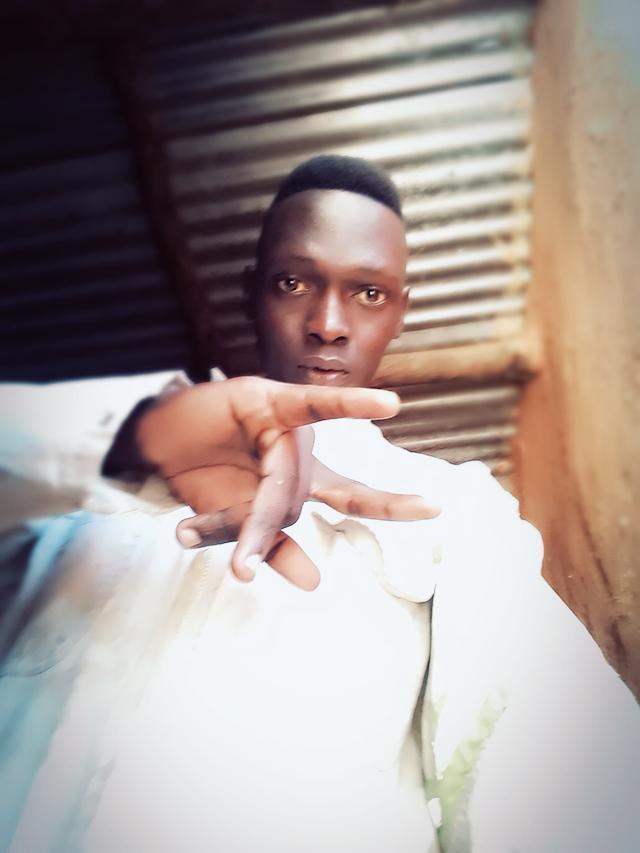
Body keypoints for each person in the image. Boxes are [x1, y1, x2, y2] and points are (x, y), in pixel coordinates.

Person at [0, 156, 638, 853]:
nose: (328, 324)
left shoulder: (450, 510)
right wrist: (137, 434)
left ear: (399, 312)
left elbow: (551, 787)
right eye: (294, 282)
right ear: (250, 292)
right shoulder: (70, 505)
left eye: (368, 292)